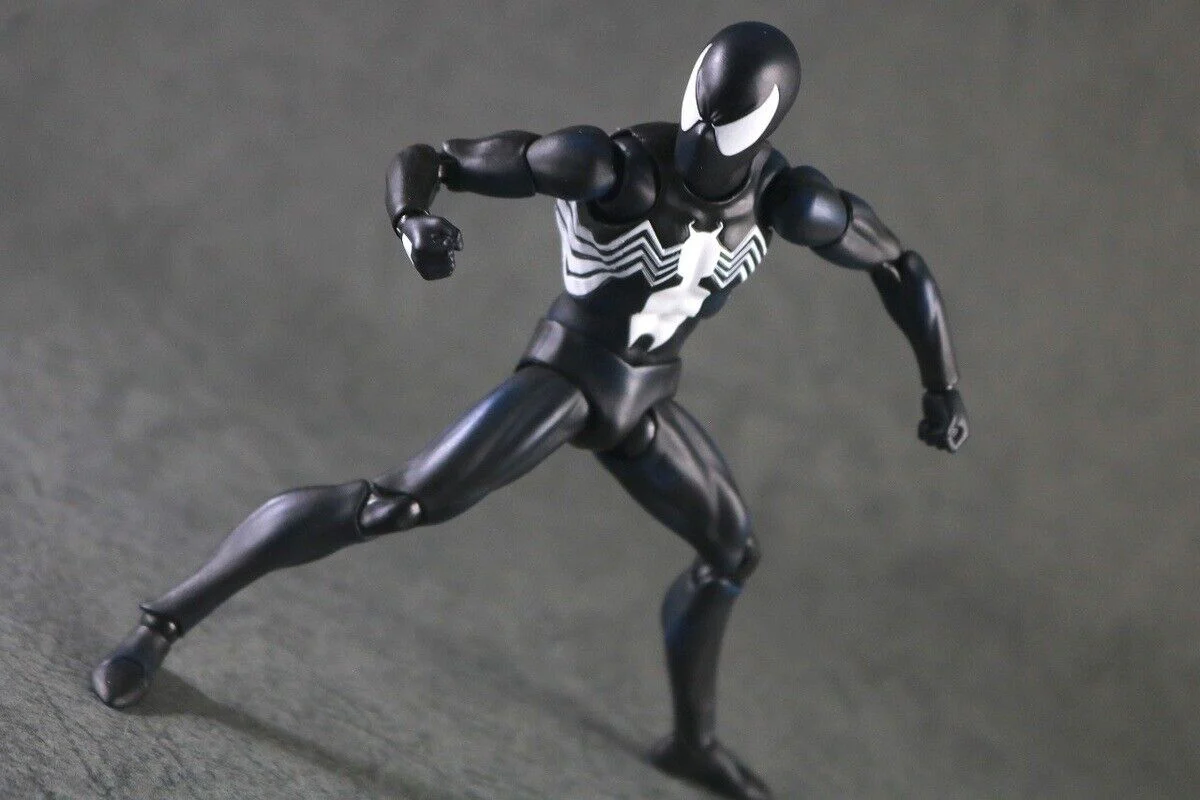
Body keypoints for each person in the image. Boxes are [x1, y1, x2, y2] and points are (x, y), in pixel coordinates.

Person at [92, 22, 969, 800]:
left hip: (647, 398)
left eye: (728, 120)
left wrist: (942, 385)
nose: (704, 132)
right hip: (568, 377)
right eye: (702, 110)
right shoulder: (610, 167)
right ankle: (161, 621)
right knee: (398, 503)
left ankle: (691, 743)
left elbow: (900, 265)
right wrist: (412, 220)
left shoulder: (787, 201)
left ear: (767, 124)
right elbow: (437, 158)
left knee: (730, 552)